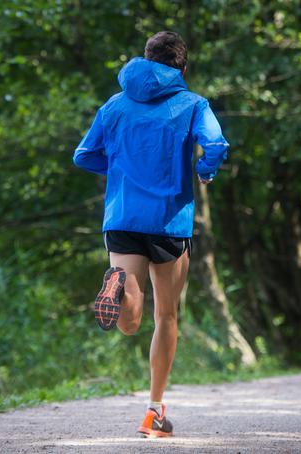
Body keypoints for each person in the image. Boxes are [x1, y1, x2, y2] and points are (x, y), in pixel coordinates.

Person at [73, 31, 229, 438]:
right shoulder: (193, 104)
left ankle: (118, 285)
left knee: (129, 322)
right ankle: (154, 413)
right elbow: (215, 144)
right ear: (182, 67)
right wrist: (205, 171)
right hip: (168, 221)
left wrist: (124, 171)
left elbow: (84, 154)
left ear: (144, 60)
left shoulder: (115, 105)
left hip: (122, 218)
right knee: (166, 315)